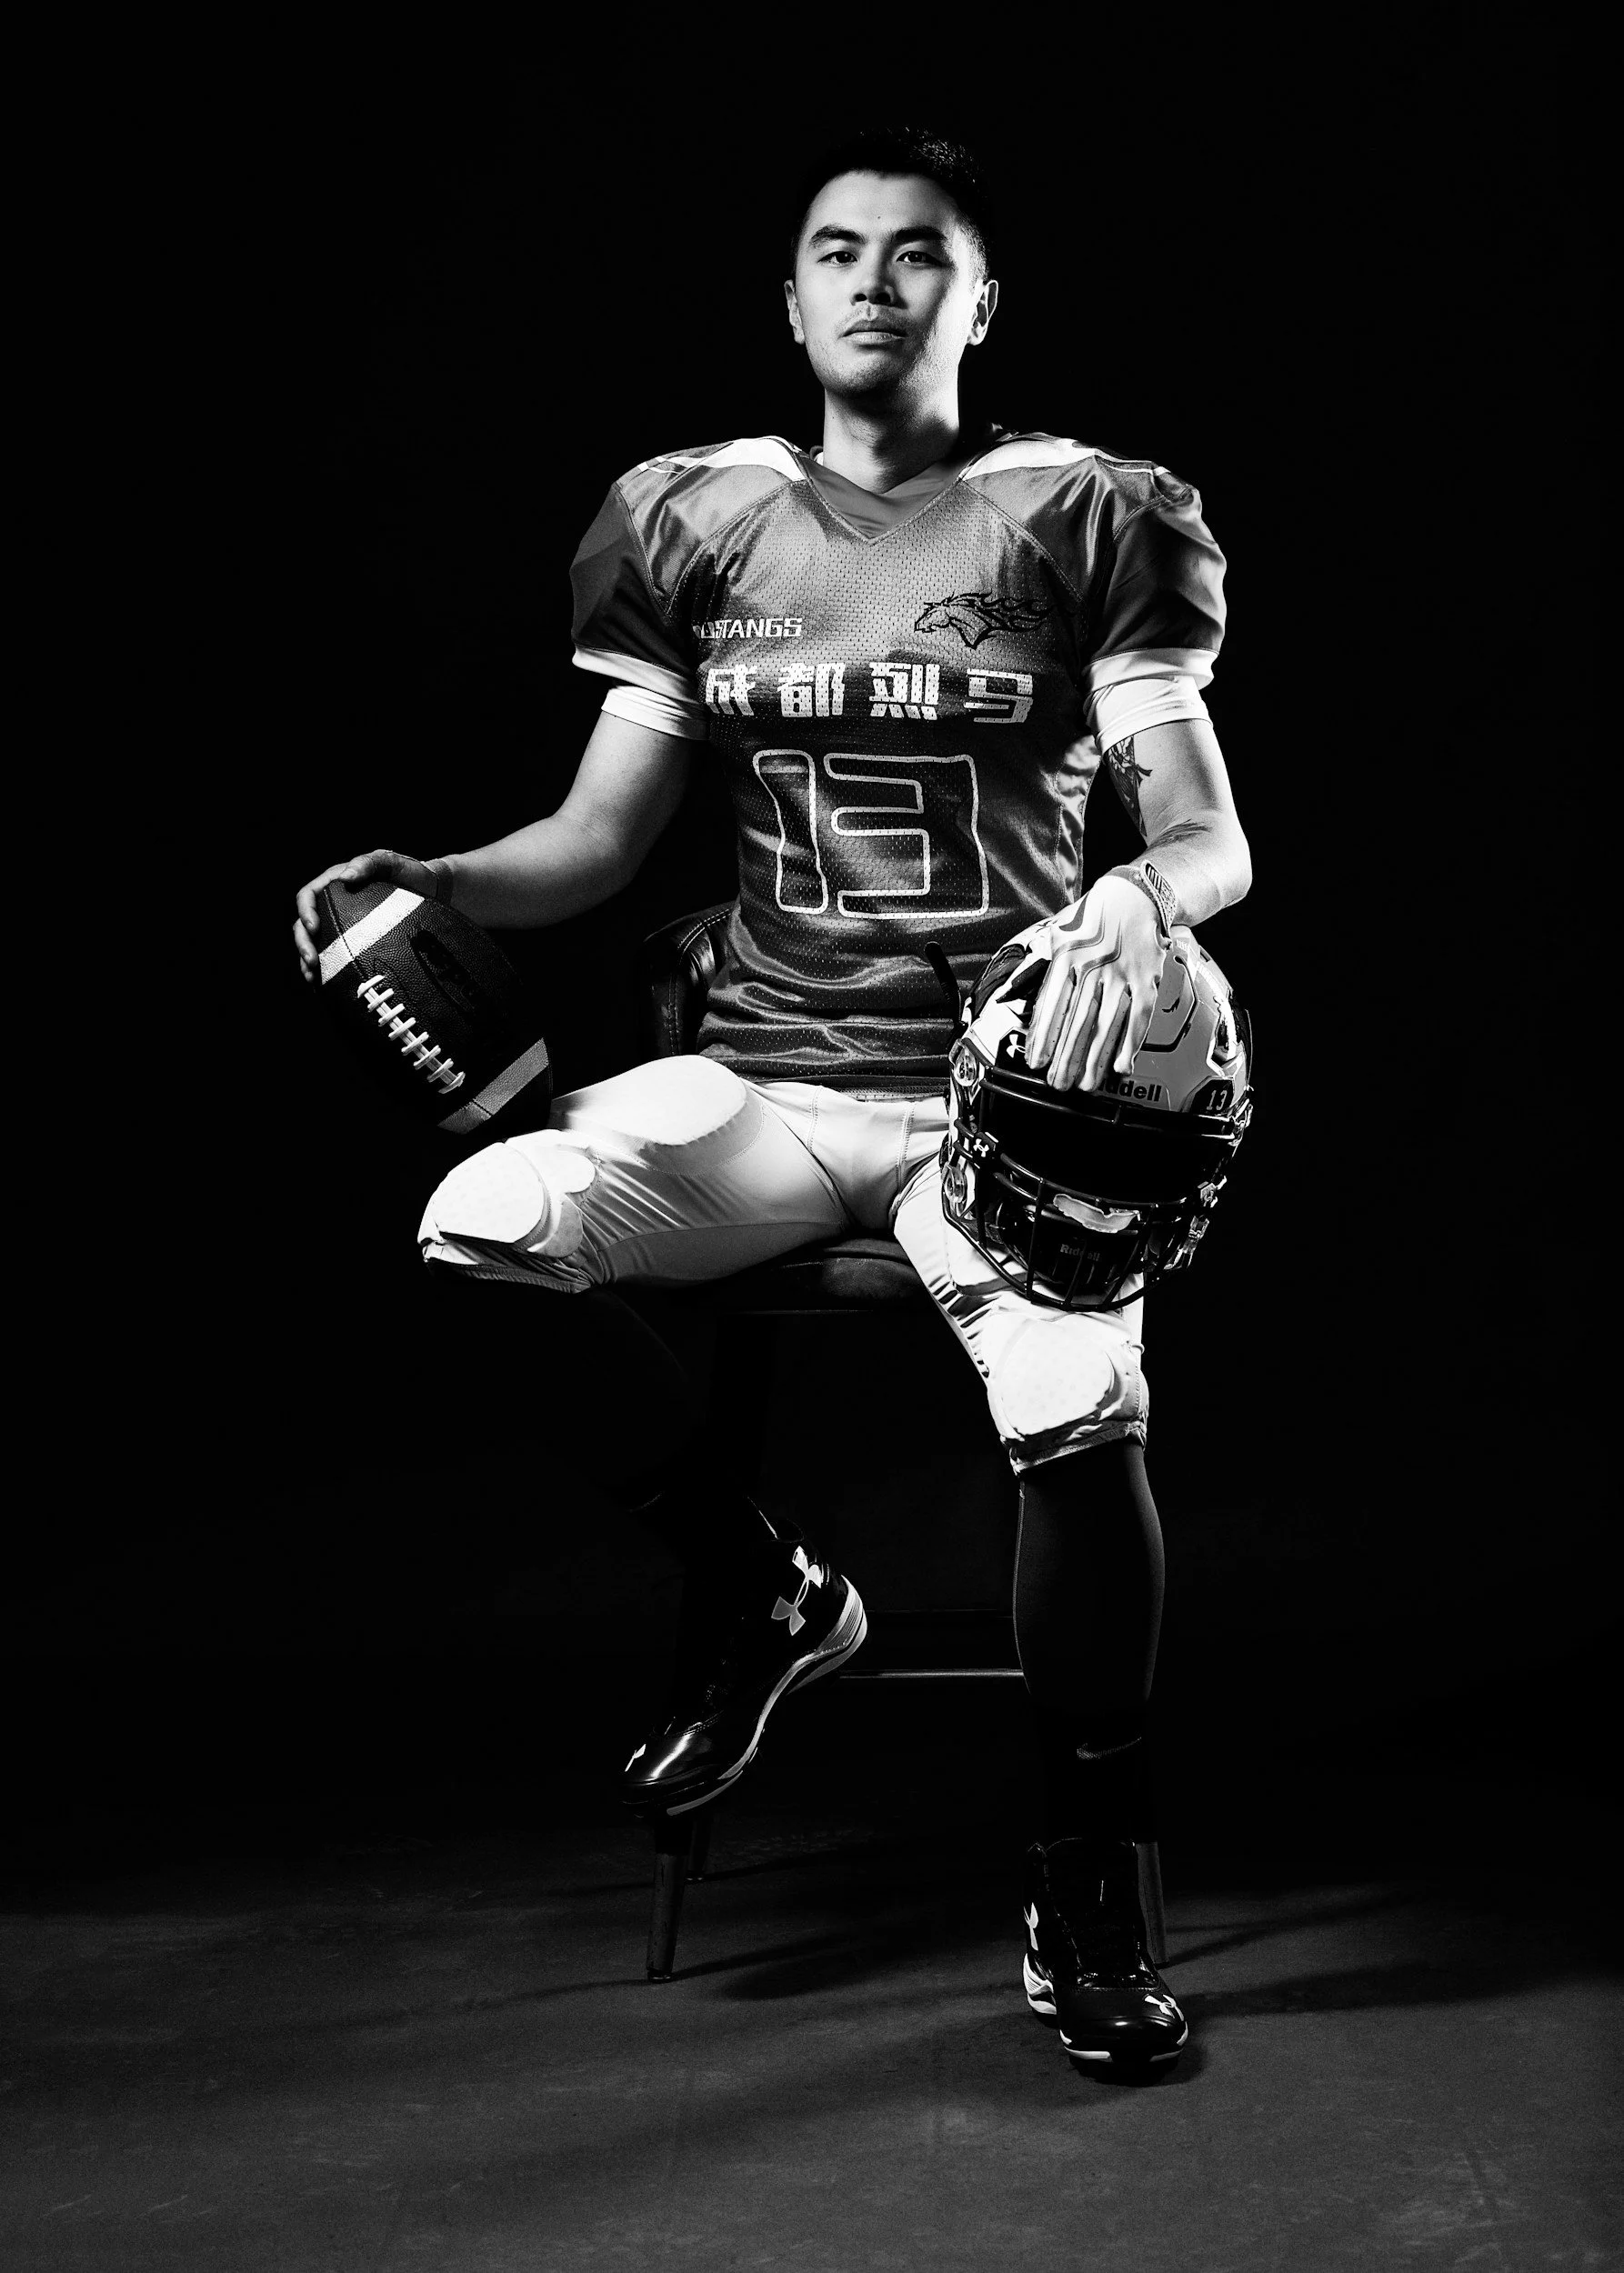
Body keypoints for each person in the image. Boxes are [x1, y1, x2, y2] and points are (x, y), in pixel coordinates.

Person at [294, 126, 1252, 2076]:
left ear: (980, 300)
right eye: (836, 252)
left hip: (1001, 1098)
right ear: (792, 296)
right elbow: (589, 840)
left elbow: (1210, 835)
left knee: (1078, 1409)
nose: (875, 283)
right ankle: (765, 1589)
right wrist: (436, 877)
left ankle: (1086, 1871)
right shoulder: (692, 517)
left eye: (919, 255)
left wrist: (1136, 894)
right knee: (477, 1227)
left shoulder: (1085, 511)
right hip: (766, 1074)